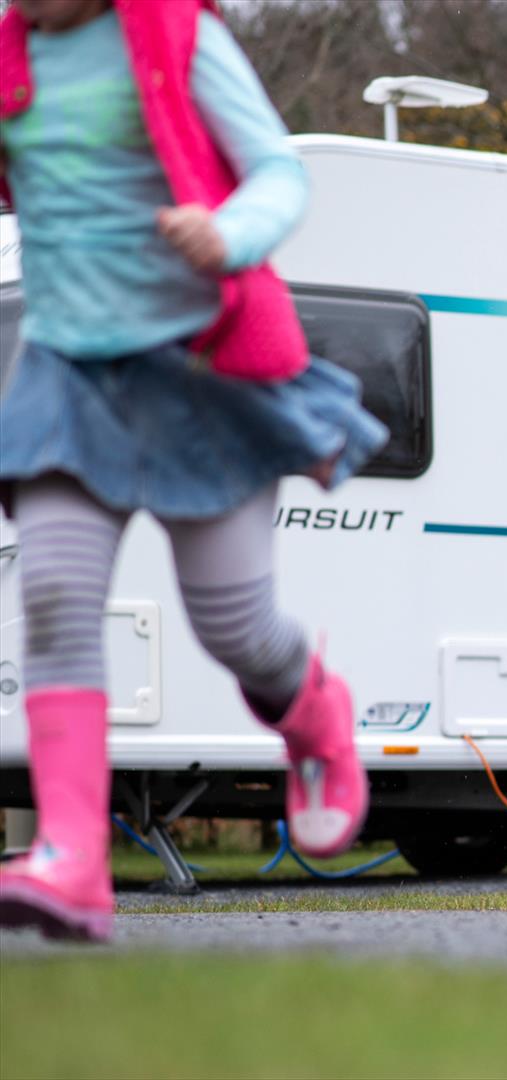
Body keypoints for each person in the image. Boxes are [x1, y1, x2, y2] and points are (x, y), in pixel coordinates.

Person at [0, 0, 388, 942]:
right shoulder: (11, 51)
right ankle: (75, 859)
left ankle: (316, 716)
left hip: (201, 366)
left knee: (234, 625)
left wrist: (230, 234)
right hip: (68, 372)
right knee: (51, 591)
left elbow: (277, 173)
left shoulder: (177, 33)